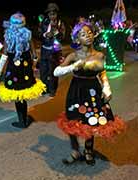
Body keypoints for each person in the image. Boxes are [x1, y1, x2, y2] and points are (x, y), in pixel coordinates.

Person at [53, 21, 126, 165]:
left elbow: (102, 73)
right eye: (82, 34)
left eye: (89, 33)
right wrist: (73, 66)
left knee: (91, 120)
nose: (87, 36)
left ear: (94, 35)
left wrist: (106, 87)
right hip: (76, 91)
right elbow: (56, 72)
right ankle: (75, 150)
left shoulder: (99, 55)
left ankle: (88, 150)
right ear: (77, 39)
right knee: (72, 120)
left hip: (93, 91)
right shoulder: (73, 55)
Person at [0, 12, 46, 128]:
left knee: (17, 95)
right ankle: (24, 119)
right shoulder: (27, 35)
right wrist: (33, 65)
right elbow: (34, 54)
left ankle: (22, 121)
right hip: (25, 69)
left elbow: (4, 55)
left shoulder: (8, 36)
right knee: (22, 95)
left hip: (14, 70)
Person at [39, 3, 66, 97]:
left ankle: (52, 89)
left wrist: (56, 32)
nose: (52, 16)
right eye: (50, 14)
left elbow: (63, 37)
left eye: (54, 14)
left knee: (53, 71)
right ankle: (44, 88)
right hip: (44, 50)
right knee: (43, 71)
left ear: (57, 14)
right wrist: (45, 34)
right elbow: (39, 33)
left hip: (55, 51)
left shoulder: (60, 23)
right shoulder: (44, 22)